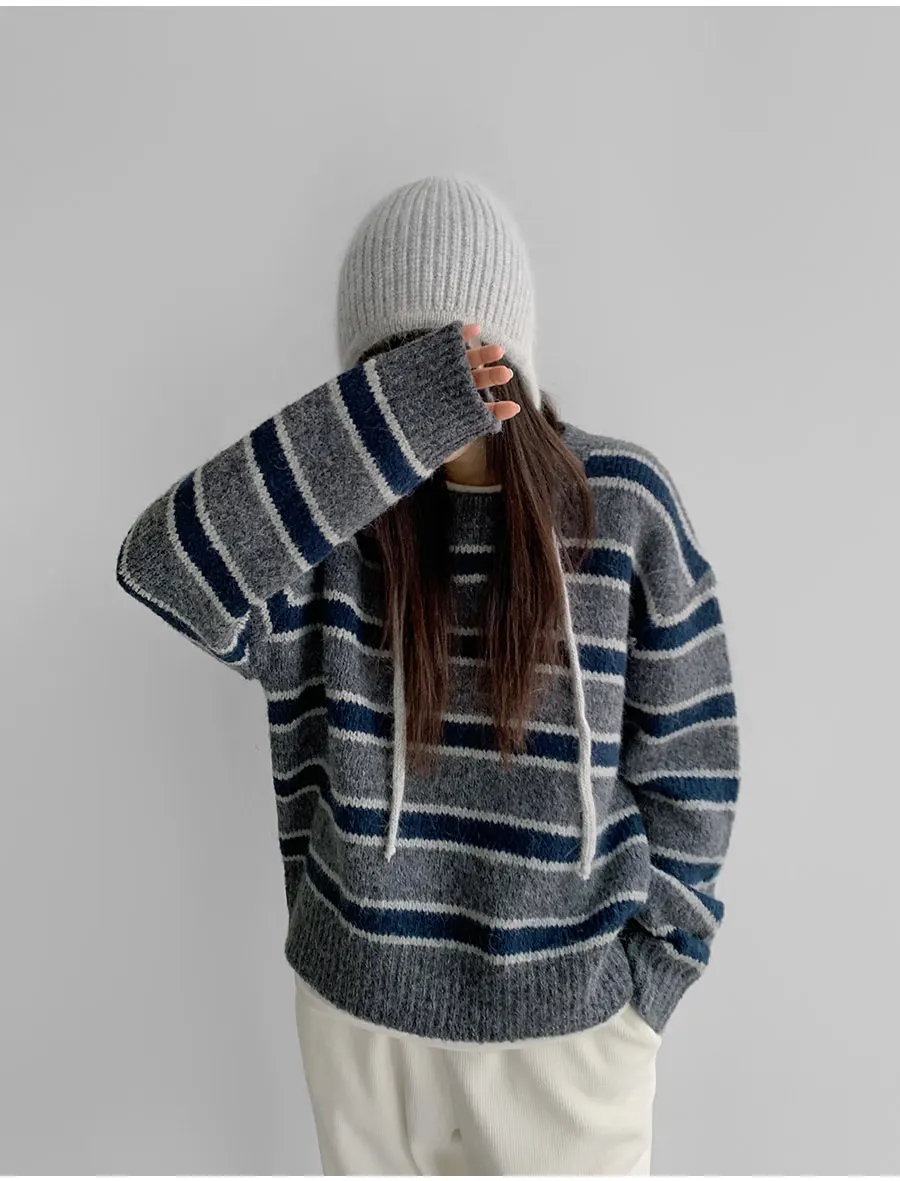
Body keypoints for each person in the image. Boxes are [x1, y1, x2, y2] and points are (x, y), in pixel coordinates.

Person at [115, 175, 740, 1176]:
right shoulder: (326, 535)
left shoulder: (621, 505)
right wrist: (386, 418)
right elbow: (164, 564)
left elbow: (694, 768)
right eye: (400, 364)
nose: (442, 385)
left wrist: (647, 991)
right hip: (362, 1027)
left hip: (572, 1037)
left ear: (513, 354)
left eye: (463, 354)